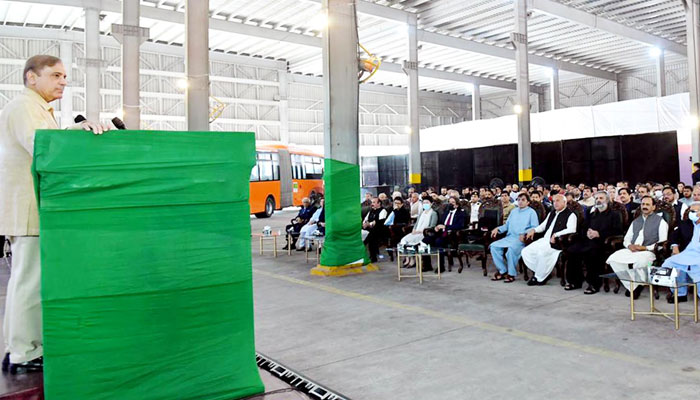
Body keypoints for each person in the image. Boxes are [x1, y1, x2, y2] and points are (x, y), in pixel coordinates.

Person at [0, 55, 107, 374]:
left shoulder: (37, 109)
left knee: (29, 279)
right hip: (29, 206)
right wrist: (79, 135)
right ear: (32, 77)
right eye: (56, 75)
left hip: (35, 205)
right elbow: (44, 149)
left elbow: (48, 142)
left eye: (65, 76)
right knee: (29, 281)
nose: (63, 81)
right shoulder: (24, 106)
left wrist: (74, 129)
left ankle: (20, 346)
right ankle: (23, 352)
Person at [606, 196, 668, 299]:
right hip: (632, 250)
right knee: (613, 259)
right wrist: (629, 245)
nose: (645, 206)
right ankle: (633, 287)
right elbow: (627, 238)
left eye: (648, 204)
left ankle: (636, 286)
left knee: (641, 262)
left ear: (653, 207)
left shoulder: (660, 221)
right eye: (643, 204)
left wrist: (645, 248)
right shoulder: (636, 221)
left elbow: (662, 241)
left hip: (649, 251)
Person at [565, 192, 623, 294]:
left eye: (601, 198)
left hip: (604, 243)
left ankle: (594, 284)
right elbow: (583, 228)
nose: (598, 200)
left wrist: (599, 234)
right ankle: (575, 281)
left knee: (592, 253)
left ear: (607, 200)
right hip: (588, 240)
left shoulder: (615, 214)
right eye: (596, 198)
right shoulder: (592, 214)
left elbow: (617, 231)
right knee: (571, 250)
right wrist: (587, 233)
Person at [522, 194, 577, 286]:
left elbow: (572, 229)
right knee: (526, 251)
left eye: (558, 201)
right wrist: (534, 230)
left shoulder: (571, 215)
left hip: (558, 242)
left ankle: (539, 278)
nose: (555, 203)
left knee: (541, 254)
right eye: (554, 201)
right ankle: (542, 272)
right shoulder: (552, 213)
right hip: (545, 240)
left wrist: (556, 234)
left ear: (565, 202)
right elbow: (543, 226)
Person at [489, 193, 539, 283]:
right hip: (510, 237)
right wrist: (498, 229)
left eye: (523, 200)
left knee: (511, 250)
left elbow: (534, 227)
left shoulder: (531, 212)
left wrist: (524, 234)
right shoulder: (514, 211)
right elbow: (507, 226)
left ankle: (511, 273)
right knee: (494, 246)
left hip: (521, 239)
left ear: (528, 202)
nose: (520, 202)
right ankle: (502, 270)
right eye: (519, 200)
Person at [664, 202, 700, 302]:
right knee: (670, 263)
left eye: (694, 211)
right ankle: (680, 293)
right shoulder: (686, 223)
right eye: (690, 211)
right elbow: (674, 236)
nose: (691, 213)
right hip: (687, 253)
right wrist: (674, 246)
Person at [425, 196, 466, 273]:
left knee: (438, 241)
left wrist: (446, 227)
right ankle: (427, 265)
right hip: (441, 233)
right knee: (425, 240)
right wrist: (437, 227)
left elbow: (460, 225)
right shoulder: (446, 212)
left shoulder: (461, 213)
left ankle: (441, 266)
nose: (450, 204)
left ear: (457, 204)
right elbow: (440, 222)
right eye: (449, 202)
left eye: (453, 203)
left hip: (452, 235)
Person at [399, 198, 438, 269]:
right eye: (424, 203)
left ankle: (413, 261)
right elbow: (416, 223)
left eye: (427, 202)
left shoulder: (433, 213)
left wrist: (421, 231)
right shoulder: (421, 213)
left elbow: (432, 225)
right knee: (404, 240)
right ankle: (409, 259)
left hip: (424, 233)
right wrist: (414, 229)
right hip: (416, 232)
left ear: (431, 203)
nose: (425, 204)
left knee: (413, 242)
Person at [362, 197, 388, 263]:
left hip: (380, 230)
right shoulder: (371, 211)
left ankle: (373, 257)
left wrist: (369, 224)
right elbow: (365, 219)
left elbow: (379, 222)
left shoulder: (383, 211)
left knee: (372, 236)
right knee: (369, 234)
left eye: (374, 202)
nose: (372, 204)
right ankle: (368, 254)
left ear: (379, 203)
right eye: (372, 202)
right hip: (370, 229)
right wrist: (365, 224)